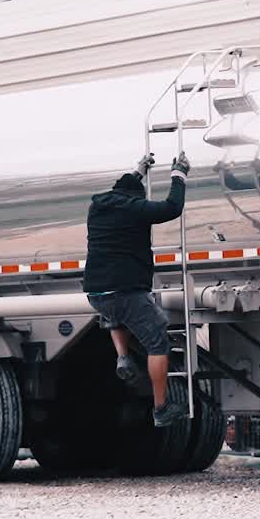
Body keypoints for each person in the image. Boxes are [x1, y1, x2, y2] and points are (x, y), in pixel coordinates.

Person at [83, 151, 192, 427]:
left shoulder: (97, 207)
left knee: (113, 314)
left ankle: (123, 358)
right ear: (136, 197)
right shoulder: (135, 208)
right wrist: (178, 174)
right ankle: (161, 409)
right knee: (158, 343)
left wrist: (138, 170)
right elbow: (171, 208)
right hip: (125, 291)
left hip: (96, 291)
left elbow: (126, 184)